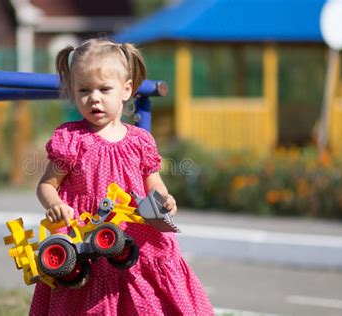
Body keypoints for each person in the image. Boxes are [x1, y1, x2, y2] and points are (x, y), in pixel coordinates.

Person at [31, 38, 214, 315]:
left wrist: (164, 199)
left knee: (145, 299)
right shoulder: (71, 139)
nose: (94, 98)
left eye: (105, 89)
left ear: (126, 89)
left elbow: (153, 182)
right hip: (86, 235)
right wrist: (55, 204)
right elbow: (47, 185)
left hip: (136, 236)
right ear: (72, 91)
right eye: (84, 90)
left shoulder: (140, 141)